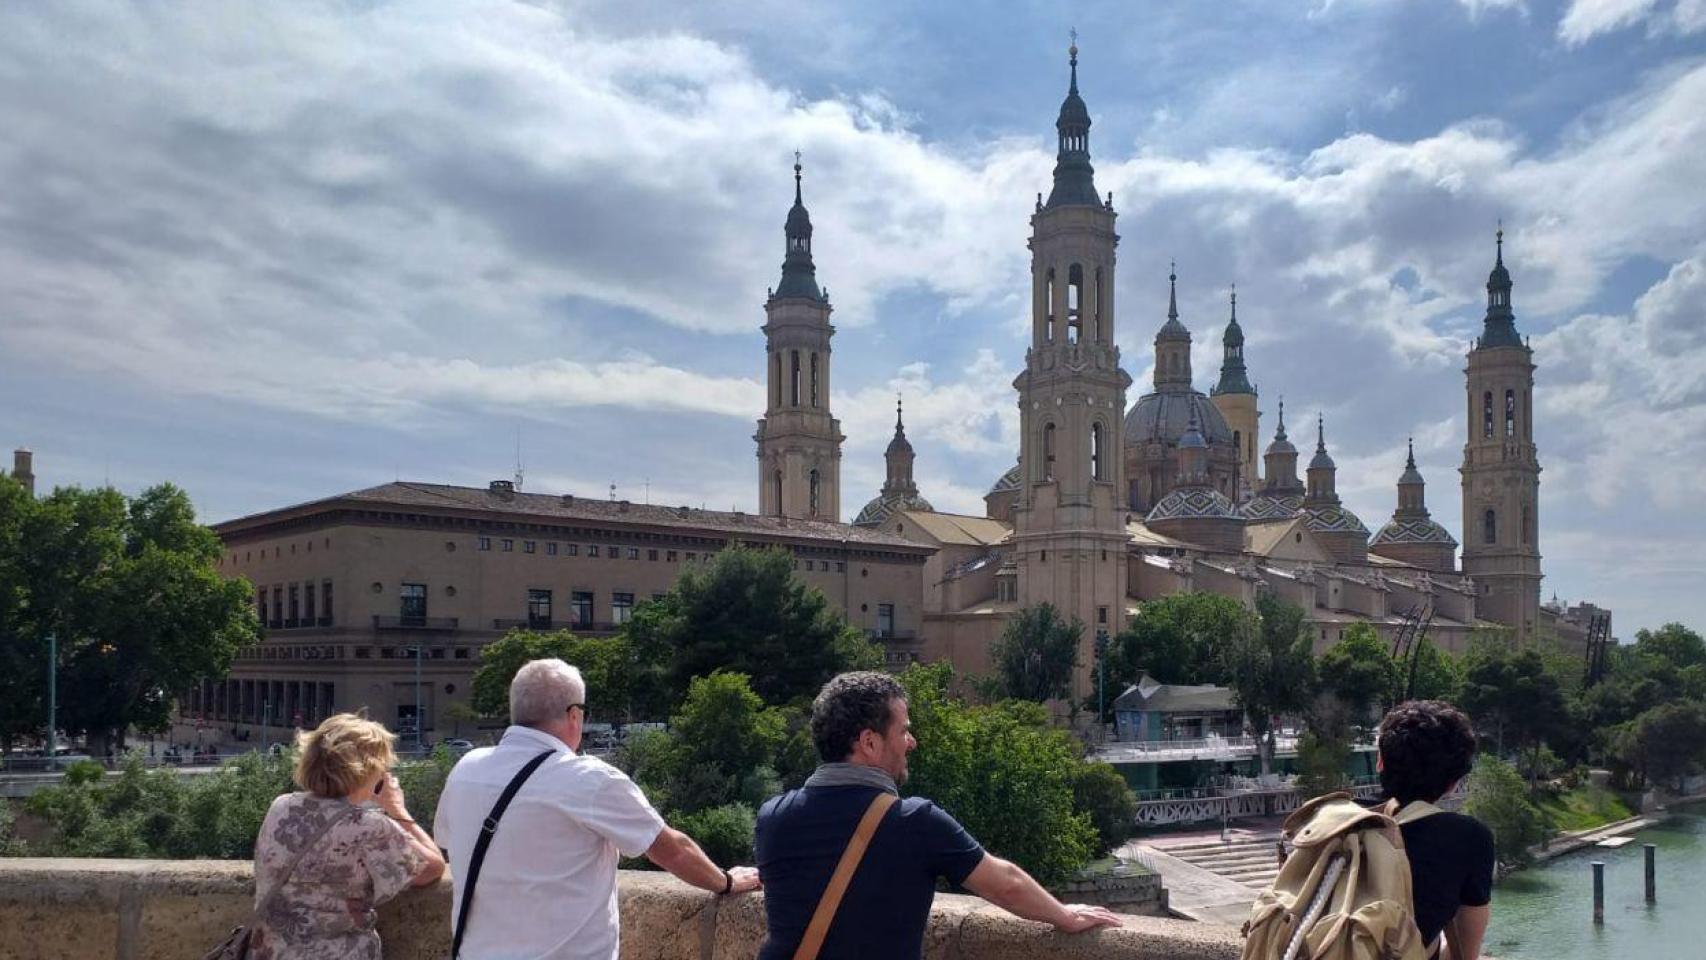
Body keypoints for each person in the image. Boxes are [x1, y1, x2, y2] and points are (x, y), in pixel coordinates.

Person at [755, 671, 1122, 960]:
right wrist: (1064, 915)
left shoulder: (772, 817)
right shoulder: (915, 822)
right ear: (869, 742)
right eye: (903, 731)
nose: (911, 742)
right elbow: (1005, 884)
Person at [434, 659, 761, 959]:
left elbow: (449, 842)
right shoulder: (587, 778)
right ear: (574, 714)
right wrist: (725, 882)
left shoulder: (467, 769)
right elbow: (672, 850)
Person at [250, 712, 446, 959]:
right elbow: (433, 867)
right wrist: (397, 809)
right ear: (367, 770)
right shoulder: (368, 826)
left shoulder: (281, 806)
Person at [1373, 700, 1494, 960]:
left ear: (1380, 761)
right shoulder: (1469, 838)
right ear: (1452, 783)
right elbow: (1464, 954)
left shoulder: (1328, 821)